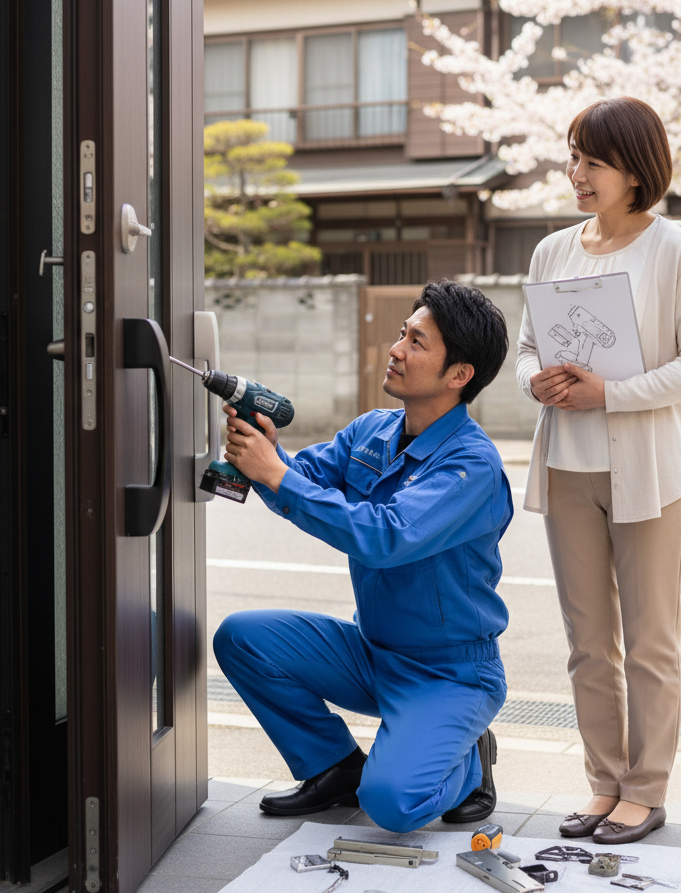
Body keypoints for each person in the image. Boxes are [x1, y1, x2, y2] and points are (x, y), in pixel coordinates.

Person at [214, 280, 514, 834]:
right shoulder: (372, 430)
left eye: (417, 342)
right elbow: (301, 484)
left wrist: (274, 472)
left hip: (448, 674)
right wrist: (265, 451)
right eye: (403, 333)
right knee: (241, 637)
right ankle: (333, 767)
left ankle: (469, 761)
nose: (396, 349)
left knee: (393, 807)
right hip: (373, 652)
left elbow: (387, 536)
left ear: (459, 375)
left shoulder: (471, 466)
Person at [517, 97, 681, 844]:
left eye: (591, 162)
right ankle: (603, 783)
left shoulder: (676, 253)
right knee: (587, 641)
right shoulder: (552, 252)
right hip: (568, 466)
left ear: (635, 171)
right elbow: (527, 349)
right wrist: (534, 380)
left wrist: (614, 393)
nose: (576, 174)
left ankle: (647, 788)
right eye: (573, 158)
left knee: (651, 640)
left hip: (652, 475)